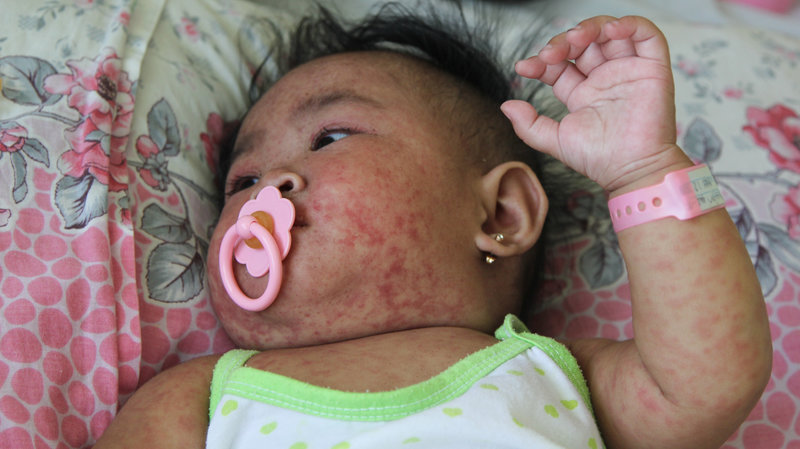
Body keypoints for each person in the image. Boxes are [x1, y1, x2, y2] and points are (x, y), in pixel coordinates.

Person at [95, 5, 772, 448]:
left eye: (331, 137)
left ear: (499, 215)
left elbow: (705, 383)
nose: (273, 182)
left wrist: (644, 169)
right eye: (243, 182)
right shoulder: (198, 397)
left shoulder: (551, 371)